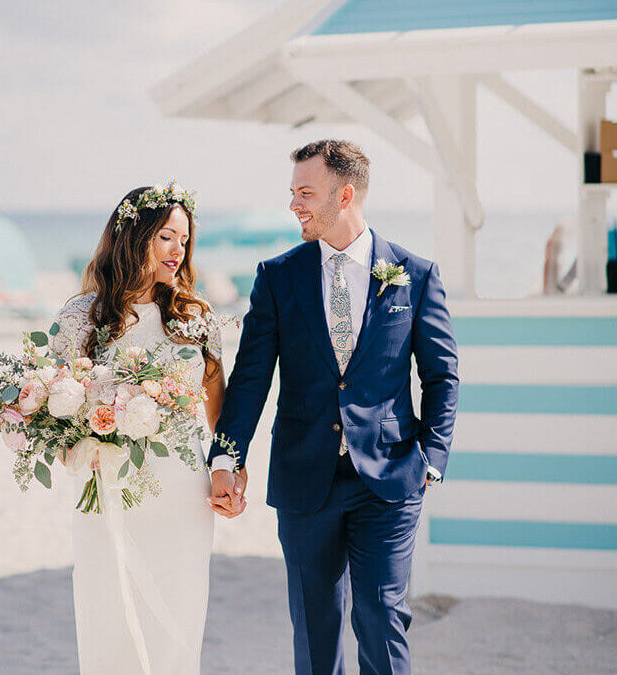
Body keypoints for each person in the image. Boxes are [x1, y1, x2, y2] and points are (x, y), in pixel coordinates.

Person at [208, 140, 459, 675]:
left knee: (380, 615)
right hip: (304, 478)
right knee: (316, 626)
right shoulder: (278, 277)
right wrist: (226, 459)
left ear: (345, 195)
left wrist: (431, 459)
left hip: (390, 477)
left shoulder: (414, 274)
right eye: (292, 192)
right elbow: (251, 378)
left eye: (306, 192)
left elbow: (440, 375)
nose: (294, 205)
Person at [50, 184, 245, 675]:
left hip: (181, 494)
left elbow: (219, 415)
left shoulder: (197, 320)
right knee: (106, 613)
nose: (178, 250)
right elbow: (54, 410)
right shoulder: (83, 317)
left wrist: (231, 472)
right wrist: (76, 445)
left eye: (185, 239)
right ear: (133, 236)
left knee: (176, 620)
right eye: (166, 237)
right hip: (106, 487)